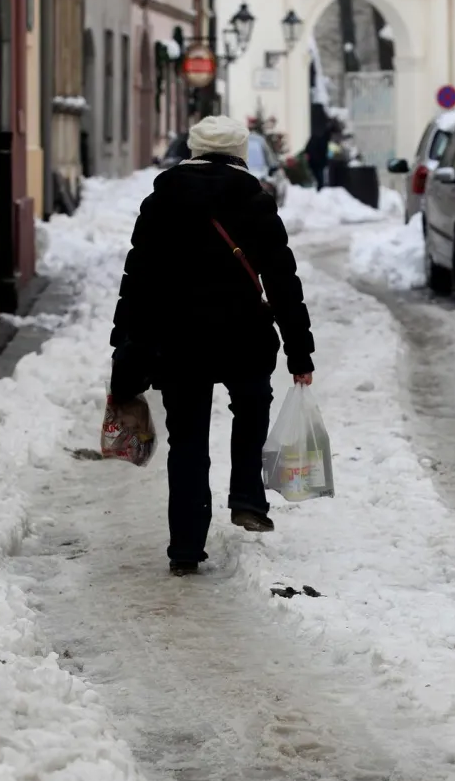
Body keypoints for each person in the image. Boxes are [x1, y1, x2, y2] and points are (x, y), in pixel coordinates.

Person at [110, 115, 315, 577]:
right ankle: (246, 497)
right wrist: (299, 353)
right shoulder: (256, 203)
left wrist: (126, 354)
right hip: (243, 338)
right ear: (241, 153)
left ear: (193, 150)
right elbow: (283, 283)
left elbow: (138, 283)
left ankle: (184, 548)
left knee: (187, 443)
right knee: (252, 405)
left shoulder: (161, 202)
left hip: (179, 343)